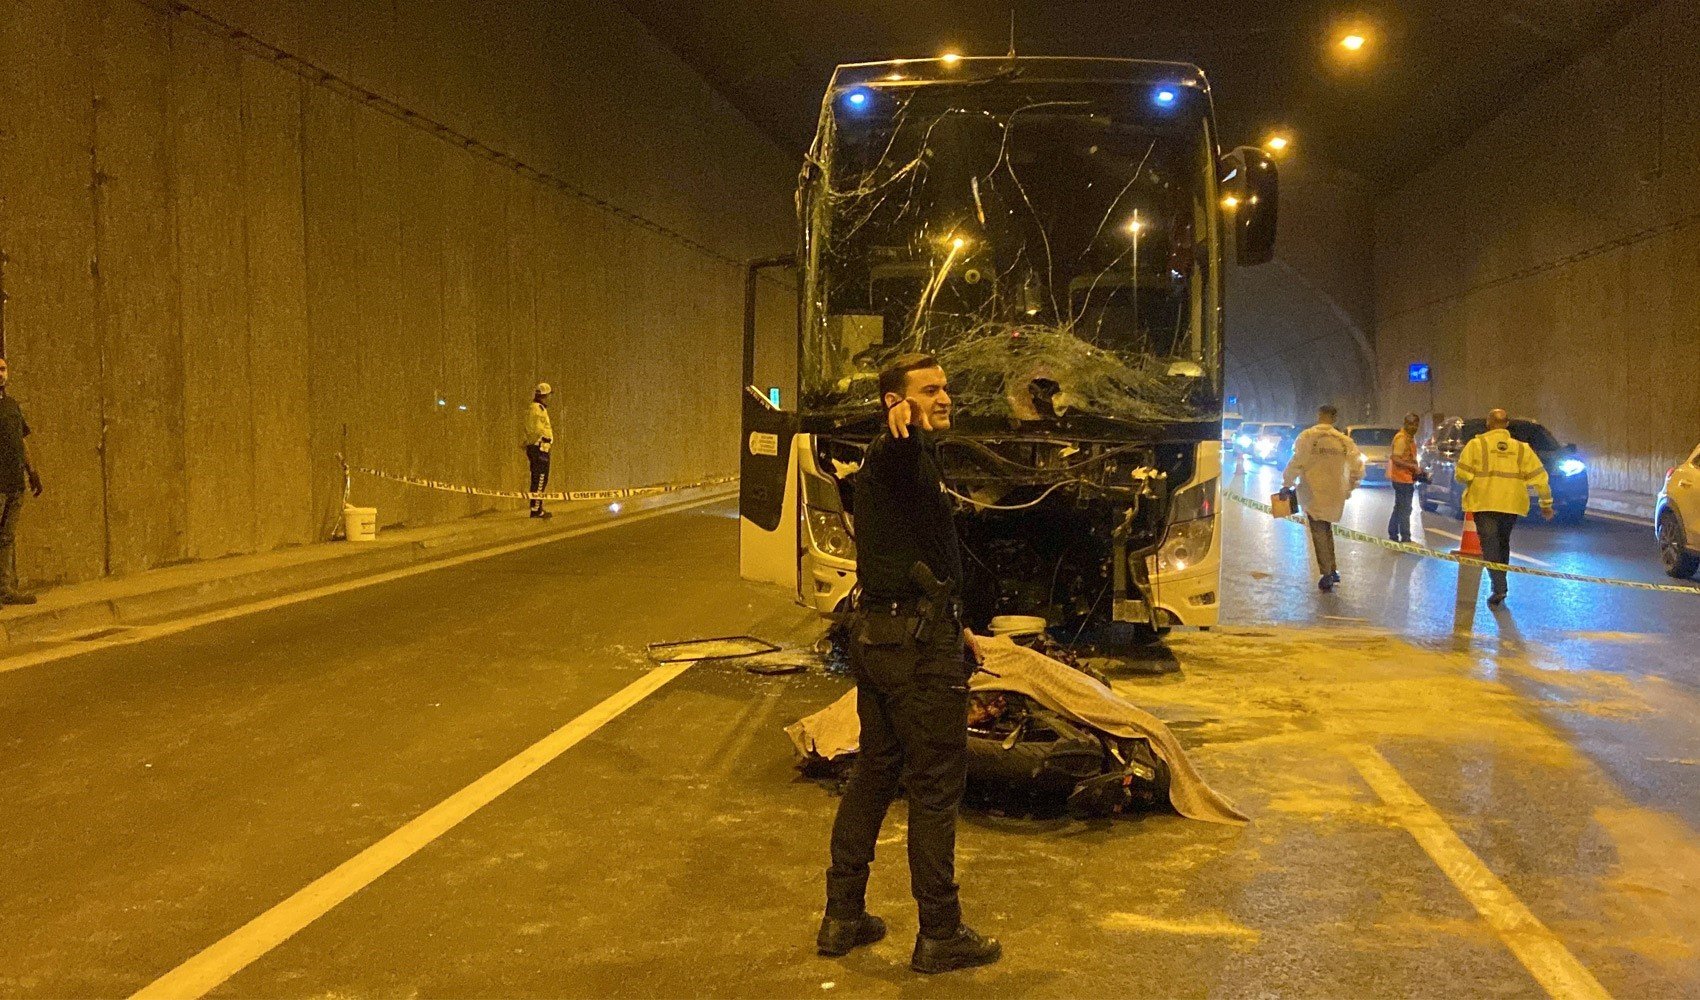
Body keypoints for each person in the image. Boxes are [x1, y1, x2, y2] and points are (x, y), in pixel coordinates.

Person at [819, 353, 1001, 975]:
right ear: (897, 401)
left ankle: (843, 915)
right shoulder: (897, 453)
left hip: (882, 637)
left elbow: (923, 549)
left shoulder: (910, 460)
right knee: (934, 788)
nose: (945, 396)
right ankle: (940, 932)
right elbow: (895, 451)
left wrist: (963, 627)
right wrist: (901, 421)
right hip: (917, 655)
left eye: (946, 385)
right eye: (930, 389)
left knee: (876, 771)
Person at [1454, 408, 1553, 606]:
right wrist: (1546, 504)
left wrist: (1476, 479)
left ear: (1488, 424)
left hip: (1484, 502)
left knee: (1489, 544)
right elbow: (1540, 478)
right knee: (1502, 542)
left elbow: (1461, 475)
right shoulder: (1522, 449)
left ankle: (1499, 587)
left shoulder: (1476, 445)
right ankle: (1500, 585)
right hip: (1511, 503)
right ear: (1507, 425)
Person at [1282, 404, 1362, 592]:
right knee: (1326, 529)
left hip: (1313, 492)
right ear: (1334, 418)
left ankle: (1327, 573)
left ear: (1319, 415)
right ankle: (1332, 569)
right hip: (1335, 493)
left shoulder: (1308, 437)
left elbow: (1297, 461)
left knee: (1318, 531)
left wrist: (1287, 483)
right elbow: (1358, 467)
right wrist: (1348, 488)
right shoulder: (1343, 441)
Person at [0, 357, 44, 606]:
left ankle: (5, 589)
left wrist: (32, 471)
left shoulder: (13, 406)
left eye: (3, 369)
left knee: (7, 538)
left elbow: (22, 440)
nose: (0, 374)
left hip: (15, 483)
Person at [1388, 411, 1422, 542]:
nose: (1413, 427)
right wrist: (1413, 467)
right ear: (1405, 424)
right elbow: (1395, 458)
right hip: (1402, 479)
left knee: (1400, 507)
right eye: (1410, 424)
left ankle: (1393, 534)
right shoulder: (1402, 438)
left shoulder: (1409, 438)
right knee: (1405, 509)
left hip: (1406, 478)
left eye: (1416, 424)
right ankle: (1405, 537)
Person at [523, 383, 553, 519]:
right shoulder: (537, 409)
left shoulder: (537, 408)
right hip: (539, 447)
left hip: (538, 447)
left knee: (539, 478)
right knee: (540, 478)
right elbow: (536, 430)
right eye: (548, 396)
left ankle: (537, 508)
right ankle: (536, 510)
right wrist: (539, 442)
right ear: (543, 396)